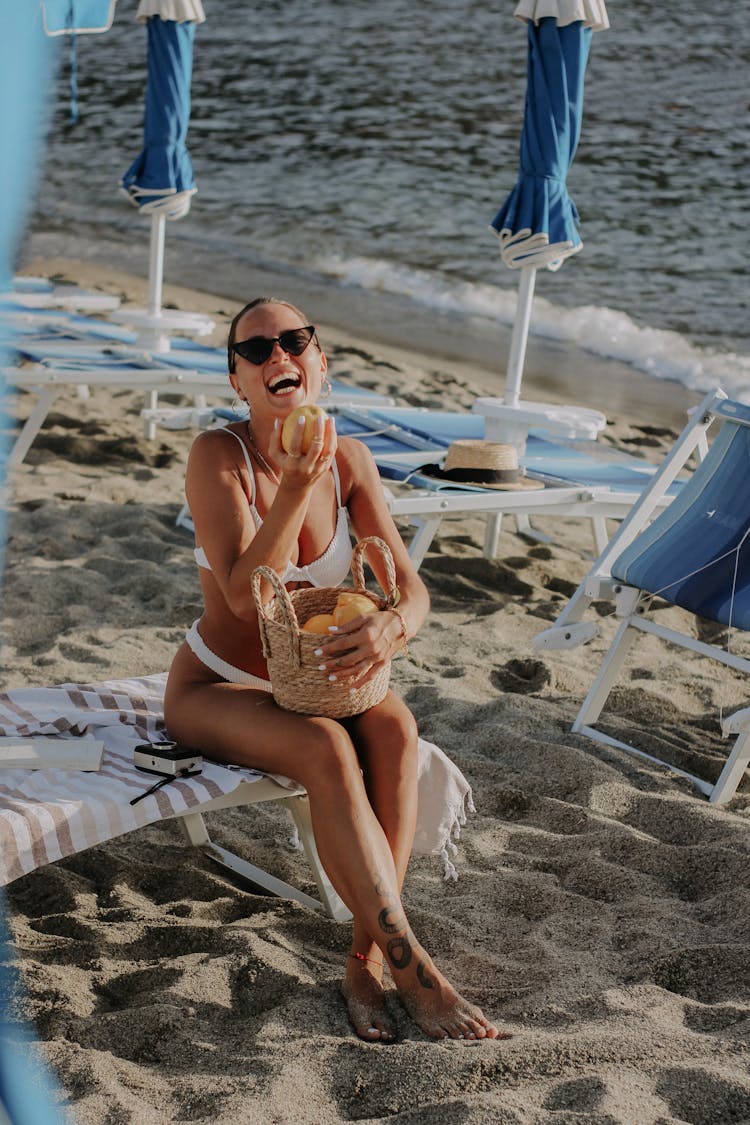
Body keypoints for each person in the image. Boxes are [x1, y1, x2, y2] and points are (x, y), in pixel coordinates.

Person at [164, 297, 502, 1044]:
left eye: (295, 341)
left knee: (397, 729)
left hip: (321, 681)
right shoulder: (219, 458)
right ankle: (414, 964)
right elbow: (245, 600)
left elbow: (411, 587)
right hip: (219, 685)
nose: (277, 354)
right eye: (256, 351)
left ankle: (364, 960)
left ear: (320, 363)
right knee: (323, 744)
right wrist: (289, 485)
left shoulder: (348, 459)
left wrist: (392, 623)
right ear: (238, 383)